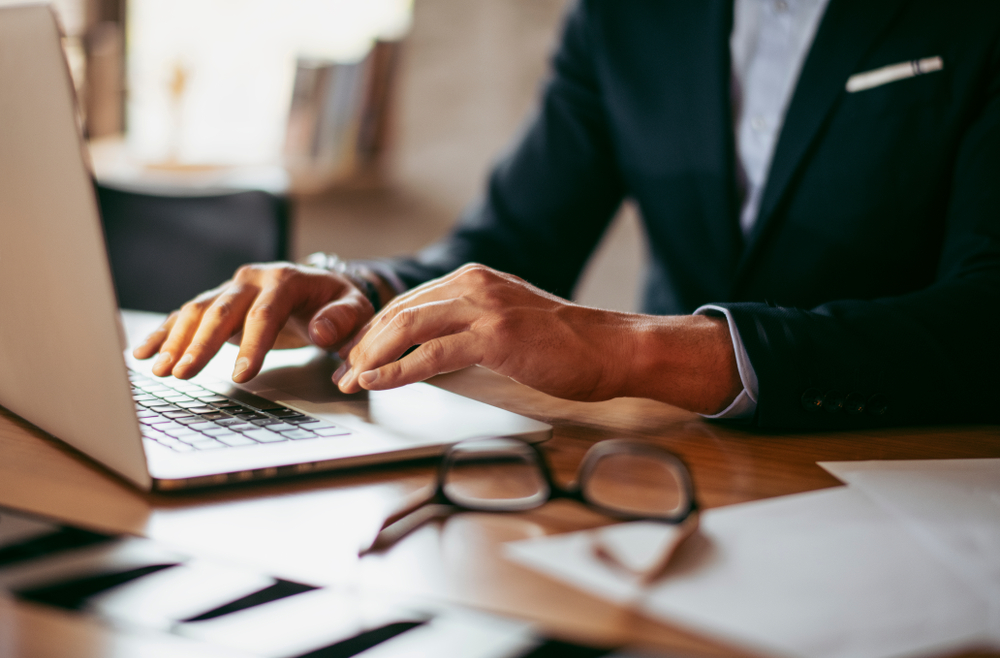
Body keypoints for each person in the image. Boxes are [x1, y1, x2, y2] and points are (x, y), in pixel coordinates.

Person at [135, 0, 1000, 429]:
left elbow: (984, 315)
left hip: (911, 465)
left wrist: (630, 346)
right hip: (671, 471)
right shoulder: (625, 19)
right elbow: (509, 243)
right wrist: (361, 289)